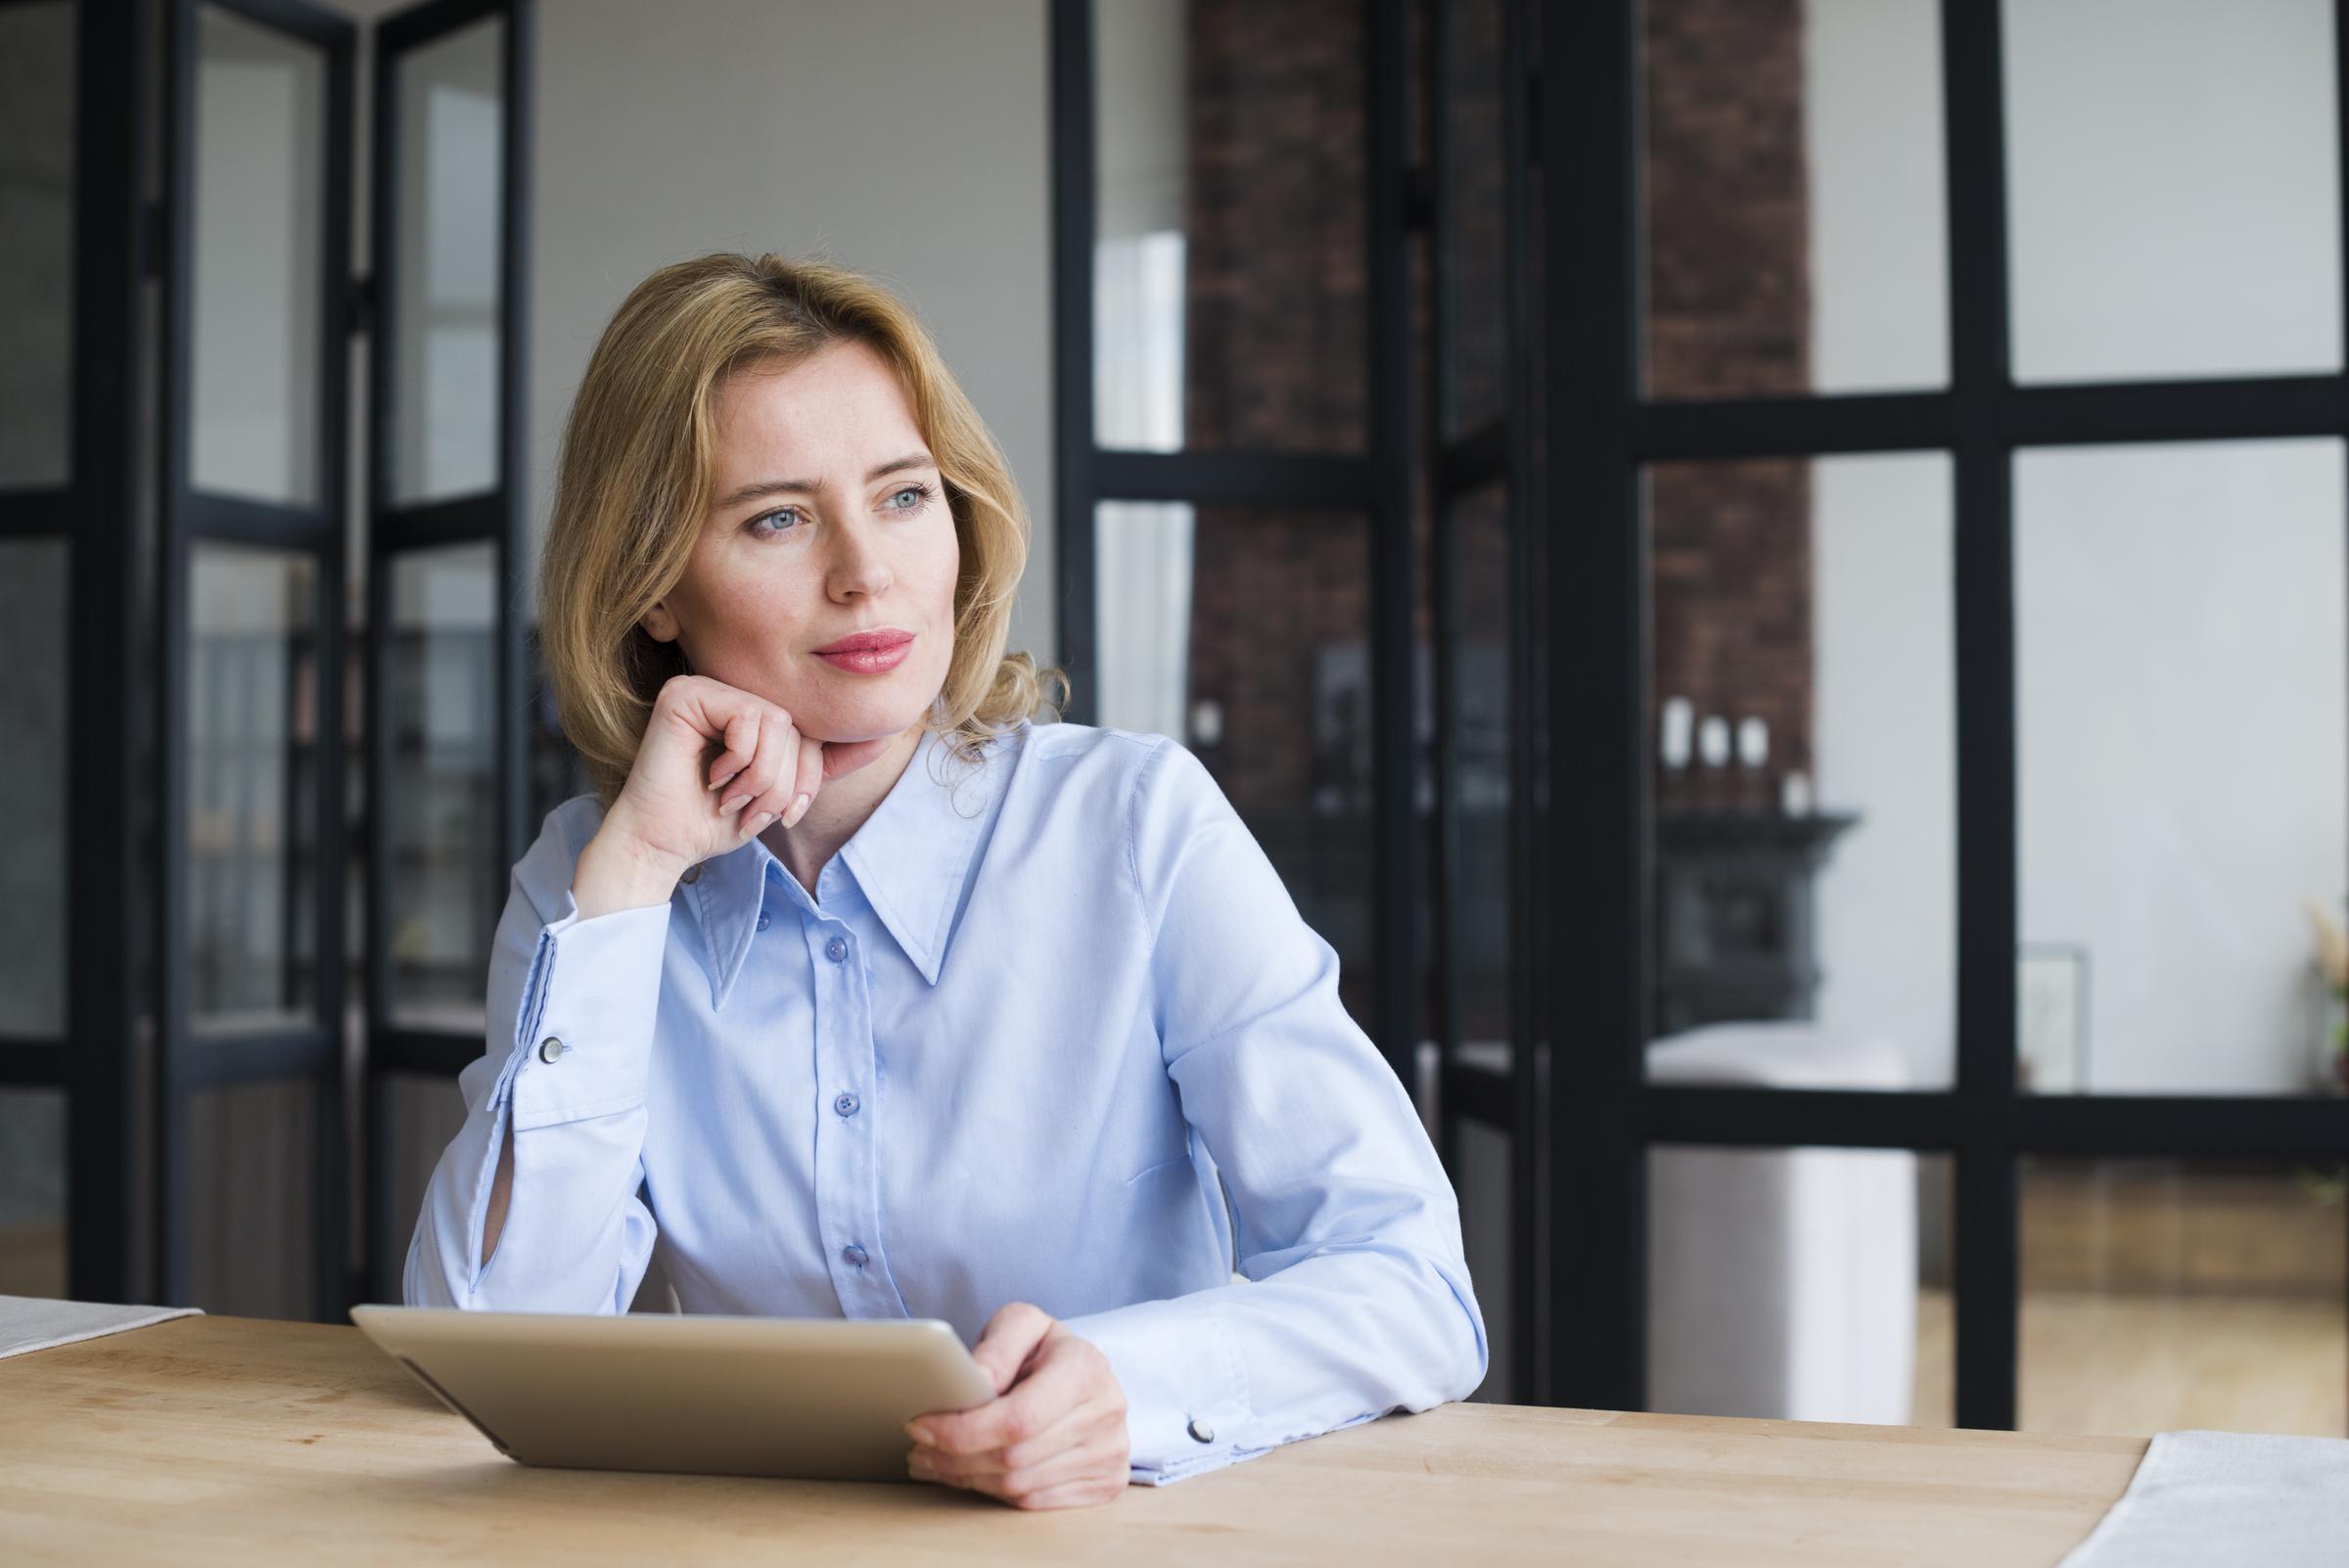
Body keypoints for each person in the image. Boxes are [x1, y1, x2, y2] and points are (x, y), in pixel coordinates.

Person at [402, 251, 1488, 1509]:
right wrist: (635, 876)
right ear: (652, 586)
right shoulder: (587, 883)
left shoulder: (1136, 826)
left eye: (905, 496)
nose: (867, 572)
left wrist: (1127, 1387)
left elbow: (1413, 1286)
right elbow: (482, 1341)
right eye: (777, 517)